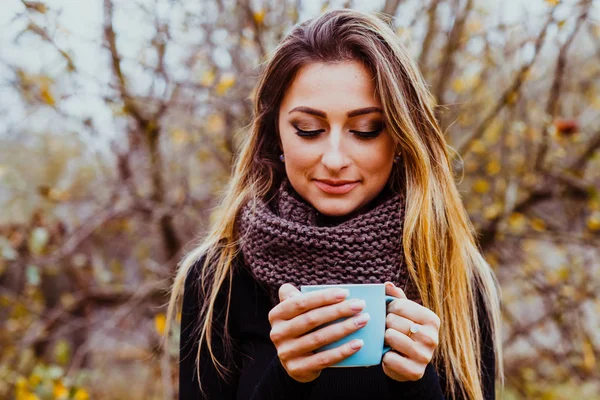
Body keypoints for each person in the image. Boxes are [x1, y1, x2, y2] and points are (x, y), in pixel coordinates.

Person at [164, 8, 502, 400]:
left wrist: (419, 385)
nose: (335, 159)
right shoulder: (217, 276)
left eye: (365, 130)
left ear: (399, 138)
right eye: (309, 130)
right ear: (275, 134)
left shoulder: (454, 273)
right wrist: (287, 380)